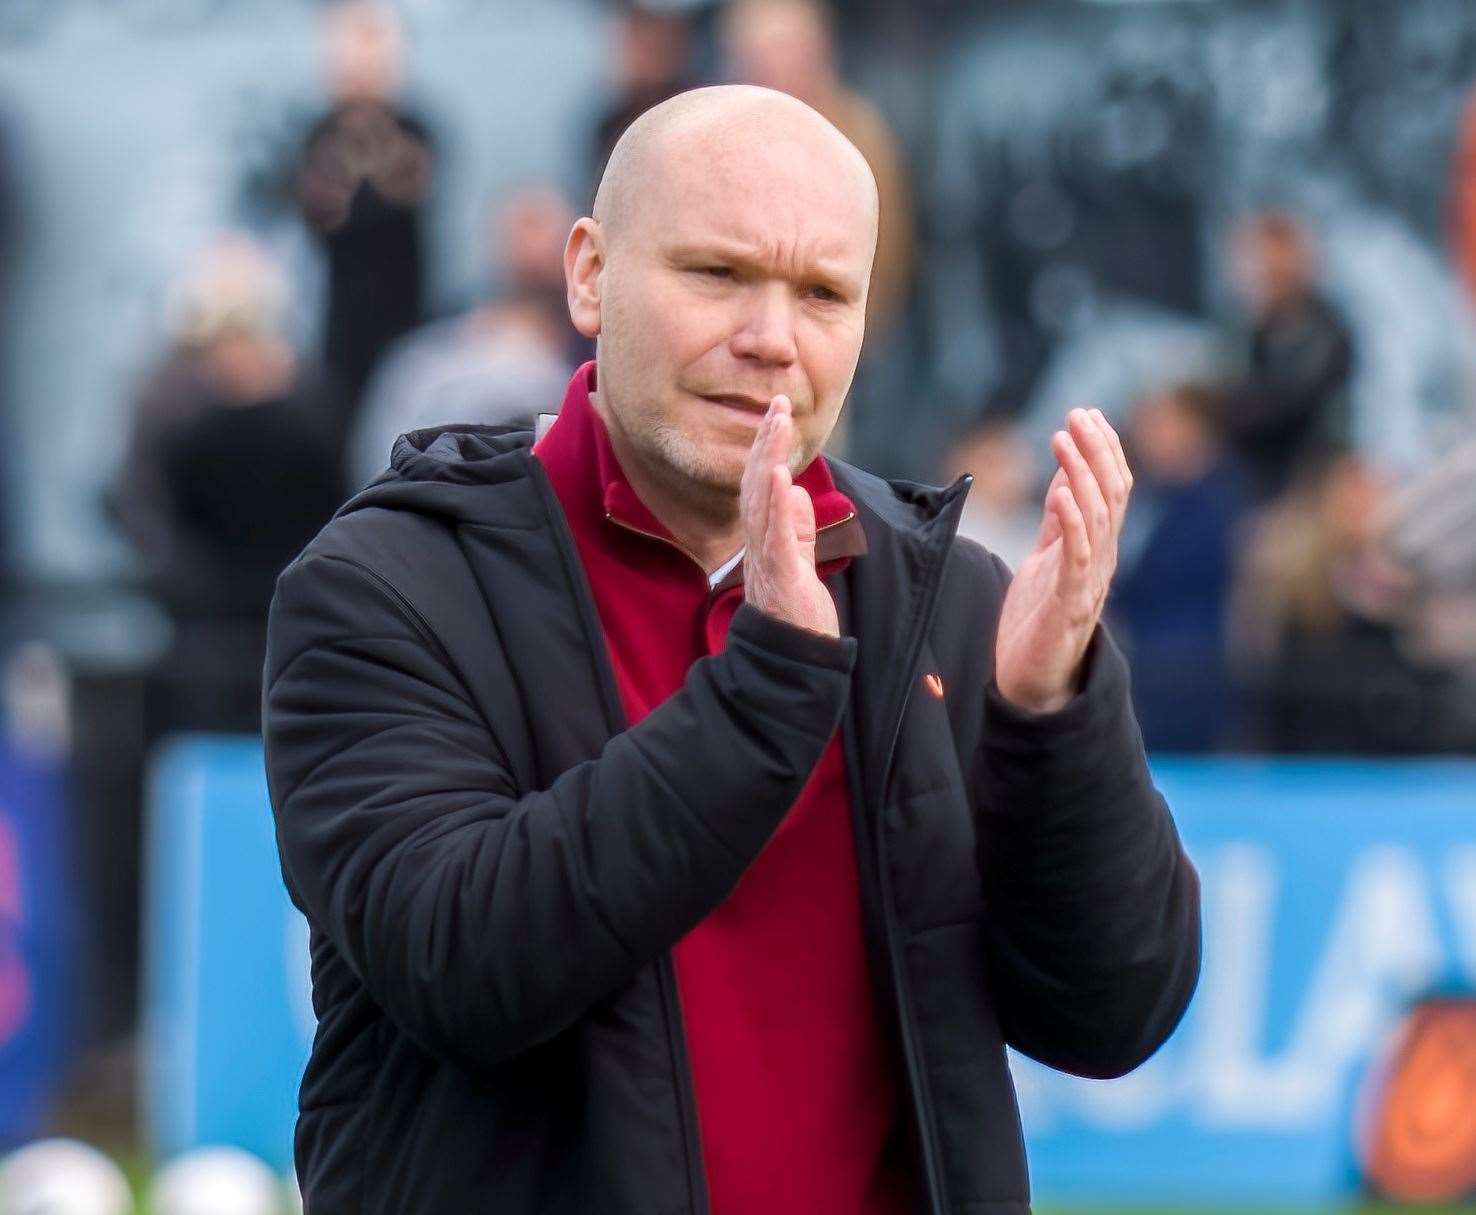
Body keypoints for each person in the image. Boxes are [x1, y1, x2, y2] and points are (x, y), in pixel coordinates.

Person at [263, 86, 1199, 1215]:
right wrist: (770, 690)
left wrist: (1053, 717)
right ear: (590, 275)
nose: (770, 339)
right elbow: (462, 964)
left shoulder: (941, 597)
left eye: (821, 294)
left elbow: (1115, 1015)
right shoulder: (389, 587)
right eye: (717, 274)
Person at [1221, 213, 1355, 502]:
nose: (1260, 276)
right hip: (1262, 486)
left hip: (1312, 485)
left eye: (1272, 268)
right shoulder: (1258, 334)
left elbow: (1297, 399)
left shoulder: (1323, 330)